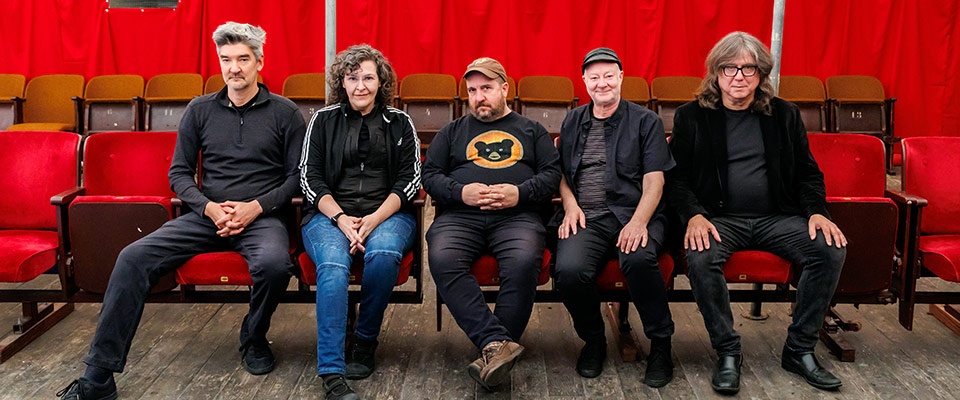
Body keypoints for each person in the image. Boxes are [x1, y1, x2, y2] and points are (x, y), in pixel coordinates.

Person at [58, 22, 306, 400]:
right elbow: (178, 173)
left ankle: (254, 337)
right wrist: (209, 209)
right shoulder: (200, 109)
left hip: (261, 217)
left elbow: (296, 178)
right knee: (132, 257)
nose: (233, 68)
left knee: (274, 267)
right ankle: (98, 376)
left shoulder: (285, 113)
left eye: (242, 59)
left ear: (259, 61)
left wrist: (255, 208)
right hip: (207, 216)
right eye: (226, 60)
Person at [666, 31, 847, 394]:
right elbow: (676, 179)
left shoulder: (784, 115)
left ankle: (799, 350)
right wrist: (694, 216)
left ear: (761, 75)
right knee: (701, 258)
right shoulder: (691, 117)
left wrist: (817, 212)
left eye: (748, 69)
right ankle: (728, 352)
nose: (738, 76)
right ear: (715, 73)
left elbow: (808, 173)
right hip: (718, 220)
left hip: (776, 218)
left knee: (829, 249)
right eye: (730, 67)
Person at [422, 57, 561, 390]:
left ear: (504, 89)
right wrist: (461, 192)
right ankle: (497, 345)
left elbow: (552, 175)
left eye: (486, 88)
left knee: (524, 260)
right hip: (460, 216)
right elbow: (429, 176)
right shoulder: (452, 132)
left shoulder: (531, 131)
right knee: (442, 257)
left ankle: (492, 350)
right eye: (472, 90)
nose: (479, 96)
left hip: (518, 216)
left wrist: (520, 193)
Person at [299, 44, 420, 400]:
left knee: (383, 253)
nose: (361, 86)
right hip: (328, 216)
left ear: (381, 82)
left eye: (369, 77)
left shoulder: (401, 122)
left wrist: (371, 220)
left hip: (388, 214)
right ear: (342, 82)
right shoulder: (322, 120)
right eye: (353, 78)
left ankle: (365, 342)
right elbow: (308, 177)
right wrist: (340, 218)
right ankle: (332, 372)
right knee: (334, 266)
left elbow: (410, 180)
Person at [553, 47, 676, 386]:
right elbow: (560, 173)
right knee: (569, 271)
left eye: (609, 75)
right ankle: (593, 341)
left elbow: (655, 180)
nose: (602, 83)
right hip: (586, 216)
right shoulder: (574, 120)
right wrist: (570, 206)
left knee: (638, 259)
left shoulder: (646, 121)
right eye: (594, 77)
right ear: (584, 81)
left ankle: (661, 344)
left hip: (636, 212)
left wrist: (638, 222)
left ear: (622, 77)